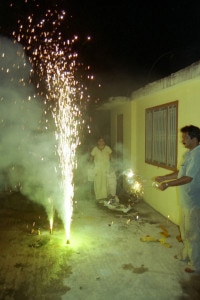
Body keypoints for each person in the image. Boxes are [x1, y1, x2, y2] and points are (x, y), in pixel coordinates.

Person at [154, 125, 200, 273]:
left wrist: (167, 184)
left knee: (193, 234)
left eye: (184, 137)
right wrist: (164, 177)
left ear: (194, 138)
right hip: (186, 201)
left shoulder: (198, 155)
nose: (182, 140)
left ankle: (195, 263)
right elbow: (181, 173)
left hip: (194, 202)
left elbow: (188, 178)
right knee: (185, 232)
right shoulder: (189, 154)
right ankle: (186, 255)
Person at [90, 137, 118, 202]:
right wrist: (91, 165)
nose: (101, 142)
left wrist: (113, 165)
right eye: (100, 141)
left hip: (106, 168)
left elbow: (112, 157)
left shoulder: (107, 148)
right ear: (98, 142)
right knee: (98, 183)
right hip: (98, 169)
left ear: (104, 142)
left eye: (102, 141)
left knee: (106, 183)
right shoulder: (95, 149)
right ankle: (99, 197)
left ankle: (105, 196)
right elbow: (91, 158)